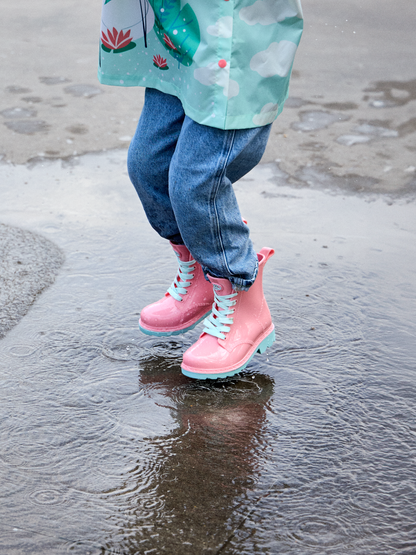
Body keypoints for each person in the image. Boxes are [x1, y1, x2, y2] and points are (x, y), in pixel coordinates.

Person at [98, 0, 303, 380]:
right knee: (148, 167)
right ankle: (201, 272)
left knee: (195, 183)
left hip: (233, 40)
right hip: (179, 40)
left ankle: (242, 298)